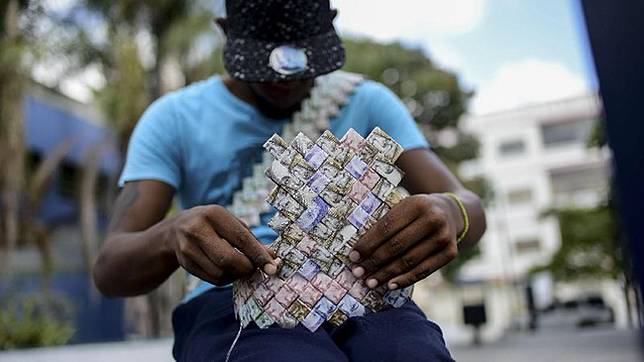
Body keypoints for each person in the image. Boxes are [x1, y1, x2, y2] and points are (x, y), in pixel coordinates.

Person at [92, 0, 486, 361]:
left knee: (411, 355)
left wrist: (451, 212)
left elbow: (468, 204)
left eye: (301, 57)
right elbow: (110, 268)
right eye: (264, 62)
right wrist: (171, 235)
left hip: (364, 288)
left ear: (329, 28)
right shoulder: (173, 118)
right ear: (228, 32)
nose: (285, 81)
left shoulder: (367, 101)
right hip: (231, 301)